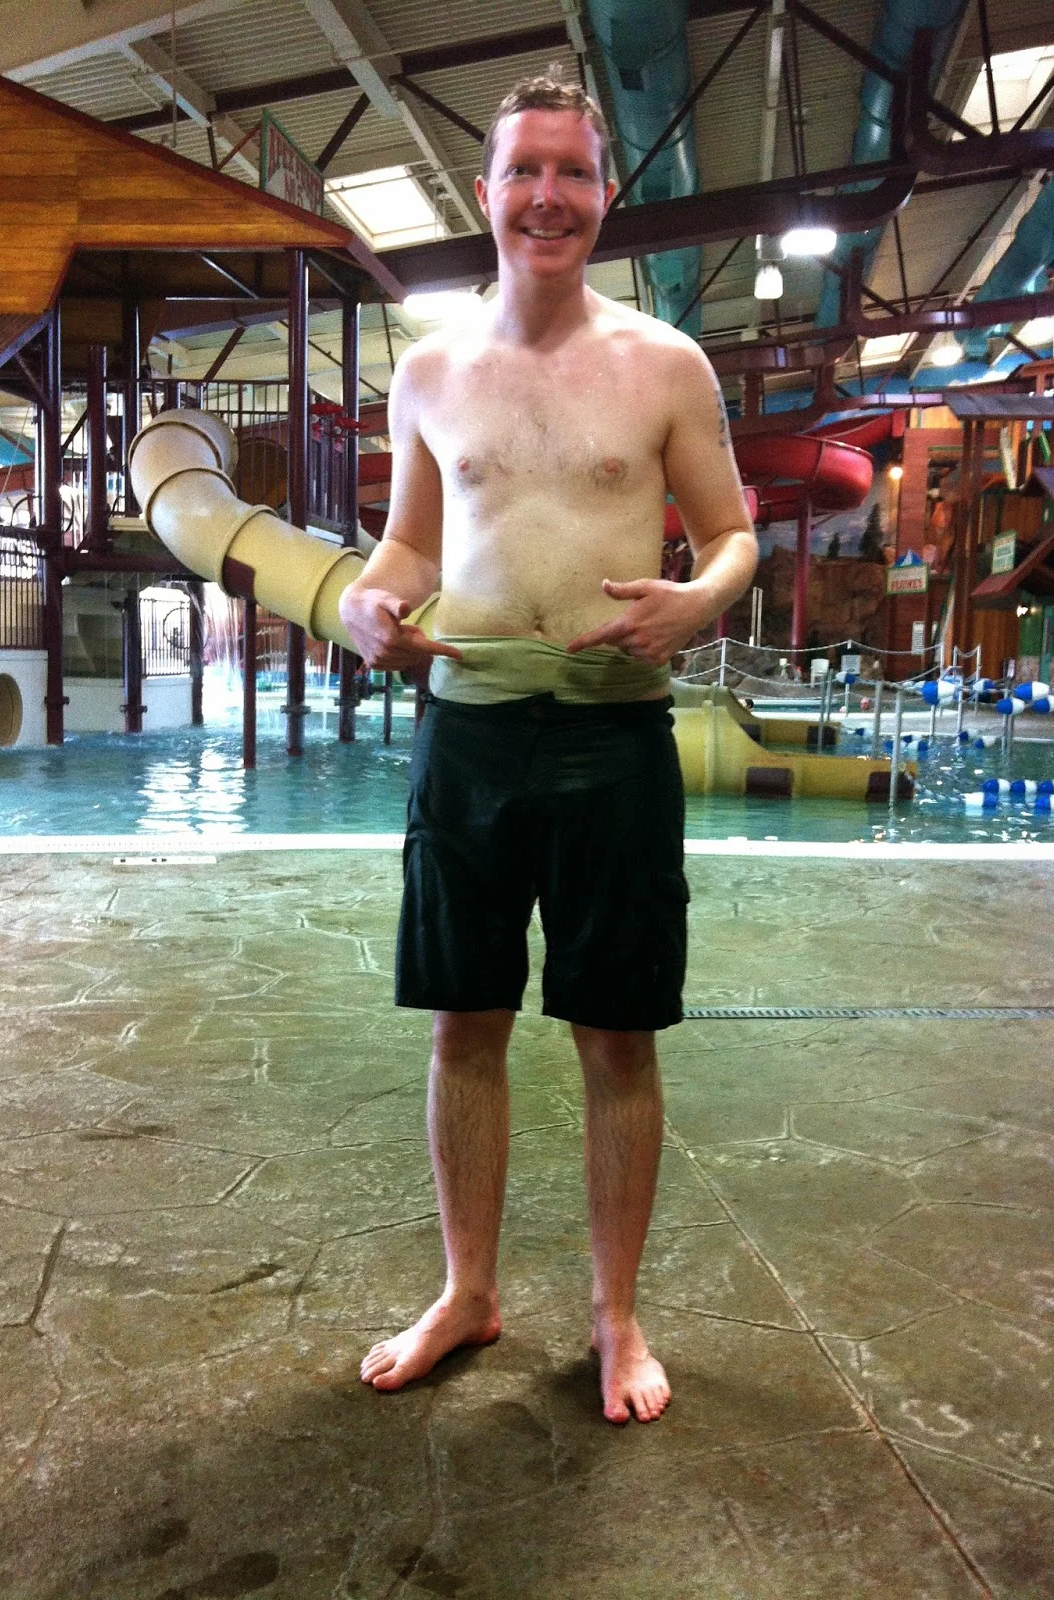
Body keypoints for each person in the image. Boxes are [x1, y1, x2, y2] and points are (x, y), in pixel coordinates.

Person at [339, 71, 758, 1424]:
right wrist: (365, 599)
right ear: (486, 193)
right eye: (524, 171)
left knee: (614, 1035)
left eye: (572, 173)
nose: (547, 197)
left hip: (611, 738)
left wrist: (699, 598)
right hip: (465, 735)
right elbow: (408, 542)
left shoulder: (663, 365)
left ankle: (614, 1315)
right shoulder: (429, 370)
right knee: (465, 1020)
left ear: (603, 196)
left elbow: (733, 529)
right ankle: (469, 1292)